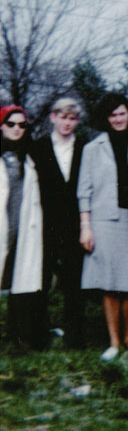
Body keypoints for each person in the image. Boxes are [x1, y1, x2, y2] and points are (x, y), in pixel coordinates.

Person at [78, 93, 128, 361]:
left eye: (122, 113)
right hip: (103, 220)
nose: (118, 119)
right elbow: (83, 191)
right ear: (105, 118)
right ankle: (114, 343)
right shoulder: (92, 148)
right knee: (109, 283)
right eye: (113, 115)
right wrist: (85, 227)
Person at [31, 98, 86, 348]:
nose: (67, 123)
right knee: (41, 280)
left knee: (75, 282)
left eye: (72, 118)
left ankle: (74, 335)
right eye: (63, 117)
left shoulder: (85, 147)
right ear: (53, 118)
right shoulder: (38, 148)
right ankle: (39, 333)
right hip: (45, 224)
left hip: (76, 225)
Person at [0, 105, 47, 350]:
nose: (17, 129)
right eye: (11, 124)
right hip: (2, 229)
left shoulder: (30, 156)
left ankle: (19, 336)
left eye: (22, 125)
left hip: (23, 228)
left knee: (21, 283)